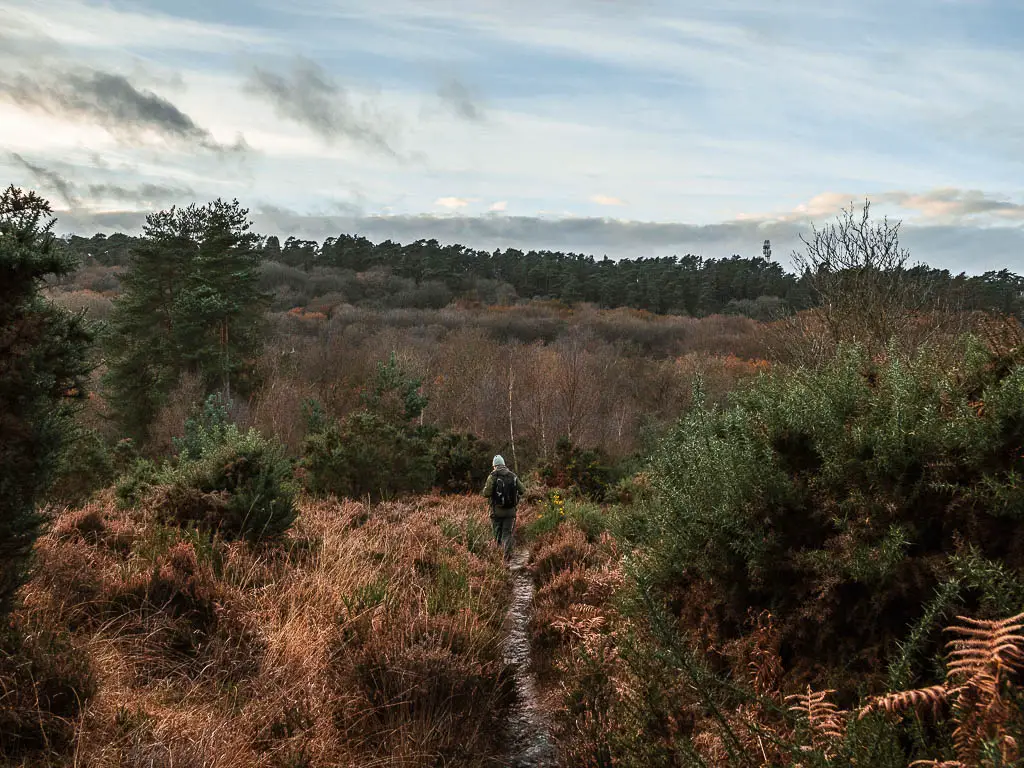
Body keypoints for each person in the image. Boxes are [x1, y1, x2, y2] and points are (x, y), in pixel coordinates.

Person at [481, 455, 526, 558]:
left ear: (494, 466)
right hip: (511, 512)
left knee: (497, 534)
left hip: (496, 512)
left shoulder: (492, 476)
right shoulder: (513, 475)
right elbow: (523, 490)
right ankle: (507, 556)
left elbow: (486, 493)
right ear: (504, 464)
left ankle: (498, 558)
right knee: (507, 534)